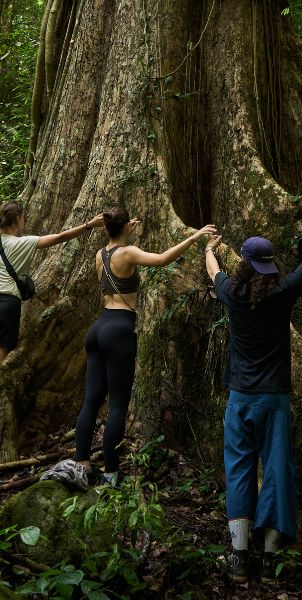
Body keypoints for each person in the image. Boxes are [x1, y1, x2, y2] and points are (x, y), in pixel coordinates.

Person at [204, 217, 302, 585]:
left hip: (240, 398)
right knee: (278, 471)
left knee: (239, 470)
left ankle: (238, 556)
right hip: (274, 399)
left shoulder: (230, 294)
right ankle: (270, 560)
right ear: (270, 265)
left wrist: (208, 248)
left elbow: (214, 269)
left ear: (244, 265)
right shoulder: (283, 293)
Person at [66, 207, 216, 487]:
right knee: (118, 404)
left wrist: (123, 231)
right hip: (119, 328)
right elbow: (161, 259)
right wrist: (195, 236)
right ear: (126, 228)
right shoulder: (128, 253)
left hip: (98, 328)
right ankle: (111, 472)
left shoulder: (101, 254)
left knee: (92, 400)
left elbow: (118, 246)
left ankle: (82, 463)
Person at [0, 200, 104, 440]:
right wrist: (89, 225)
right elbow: (61, 237)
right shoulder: (25, 243)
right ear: (19, 218)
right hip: (5, 308)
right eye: (23, 217)